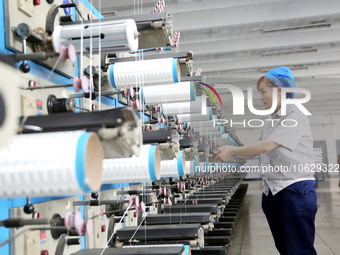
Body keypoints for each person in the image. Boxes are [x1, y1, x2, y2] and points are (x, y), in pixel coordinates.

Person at [214, 66, 317, 255]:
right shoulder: (272, 119)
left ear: (279, 90)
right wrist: (229, 152)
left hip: (294, 190)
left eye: (263, 92)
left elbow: (267, 146)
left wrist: (233, 150)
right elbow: (260, 148)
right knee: (286, 249)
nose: (260, 97)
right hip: (274, 191)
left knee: (299, 250)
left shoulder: (295, 115)